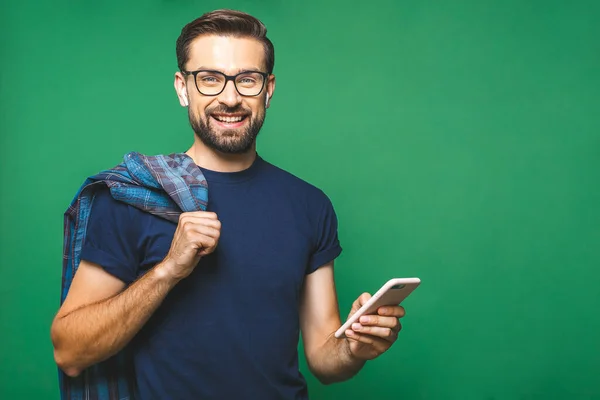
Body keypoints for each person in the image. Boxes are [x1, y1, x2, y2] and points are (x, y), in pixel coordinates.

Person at [51, 9, 406, 399]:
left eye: (247, 80)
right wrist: (167, 271)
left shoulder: (310, 205)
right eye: (210, 79)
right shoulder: (133, 199)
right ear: (182, 87)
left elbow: (324, 360)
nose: (230, 97)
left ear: (268, 89)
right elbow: (70, 351)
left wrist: (354, 346)